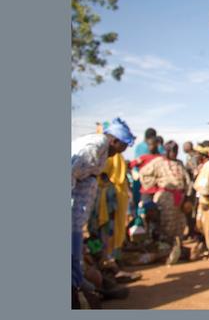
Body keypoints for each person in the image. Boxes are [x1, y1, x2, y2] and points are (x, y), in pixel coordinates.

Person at [72, 117, 135, 307]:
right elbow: (71, 169)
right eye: (123, 146)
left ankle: (79, 286)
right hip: (72, 206)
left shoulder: (101, 148)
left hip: (77, 211)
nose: (123, 150)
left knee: (75, 252)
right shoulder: (97, 144)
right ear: (115, 141)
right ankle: (76, 295)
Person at [138, 140, 191, 264]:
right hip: (165, 196)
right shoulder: (158, 162)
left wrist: (187, 196)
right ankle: (166, 251)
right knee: (166, 223)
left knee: (180, 223)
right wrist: (153, 186)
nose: (175, 153)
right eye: (173, 151)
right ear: (167, 151)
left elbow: (187, 181)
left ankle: (176, 250)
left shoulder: (179, 163)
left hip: (180, 197)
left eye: (177, 151)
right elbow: (144, 174)